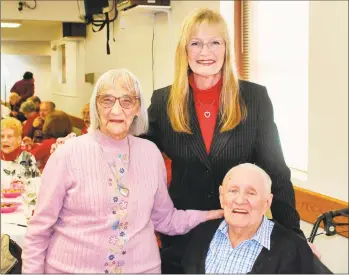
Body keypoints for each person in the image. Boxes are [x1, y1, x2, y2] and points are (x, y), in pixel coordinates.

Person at [144, 8, 307, 273]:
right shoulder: (163, 101)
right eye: (195, 43)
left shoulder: (254, 99)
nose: (204, 52)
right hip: (184, 235)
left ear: (226, 49)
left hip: (240, 233)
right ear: (184, 51)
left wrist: (294, 241)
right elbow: (141, 155)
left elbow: (276, 172)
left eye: (214, 42)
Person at [22, 69, 223, 274]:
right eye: (107, 100)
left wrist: (211, 215)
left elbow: (164, 219)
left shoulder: (150, 154)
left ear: (138, 107)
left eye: (127, 101)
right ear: (95, 106)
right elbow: (39, 231)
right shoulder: (67, 154)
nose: (116, 110)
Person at [182, 163, 331, 274]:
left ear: (267, 202)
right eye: (233, 191)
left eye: (251, 193)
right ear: (221, 196)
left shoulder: (293, 250)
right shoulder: (199, 236)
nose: (240, 200)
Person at [1, 117, 40, 189]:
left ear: (19, 140)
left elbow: (34, 185)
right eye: (2, 136)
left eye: (9, 136)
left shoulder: (26, 158)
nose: (4, 140)